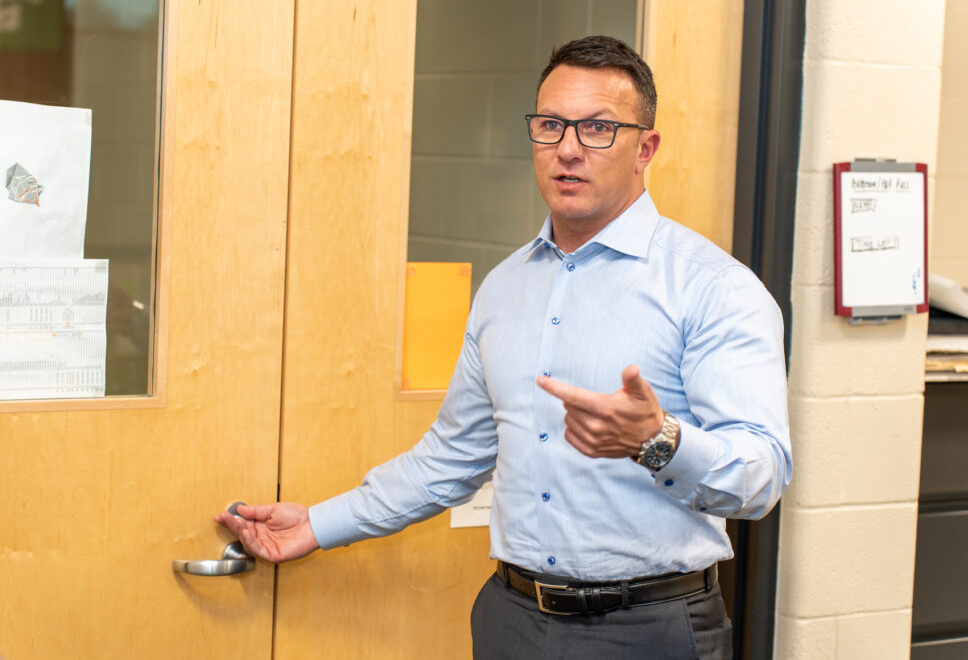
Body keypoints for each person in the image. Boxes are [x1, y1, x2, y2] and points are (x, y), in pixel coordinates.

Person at [216, 35, 791, 659]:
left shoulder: (713, 288)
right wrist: (318, 524)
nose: (568, 149)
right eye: (550, 126)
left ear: (644, 148)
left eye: (598, 128)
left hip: (649, 630)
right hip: (511, 621)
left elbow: (761, 477)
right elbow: (453, 456)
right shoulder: (504, 288)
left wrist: (658, 442)